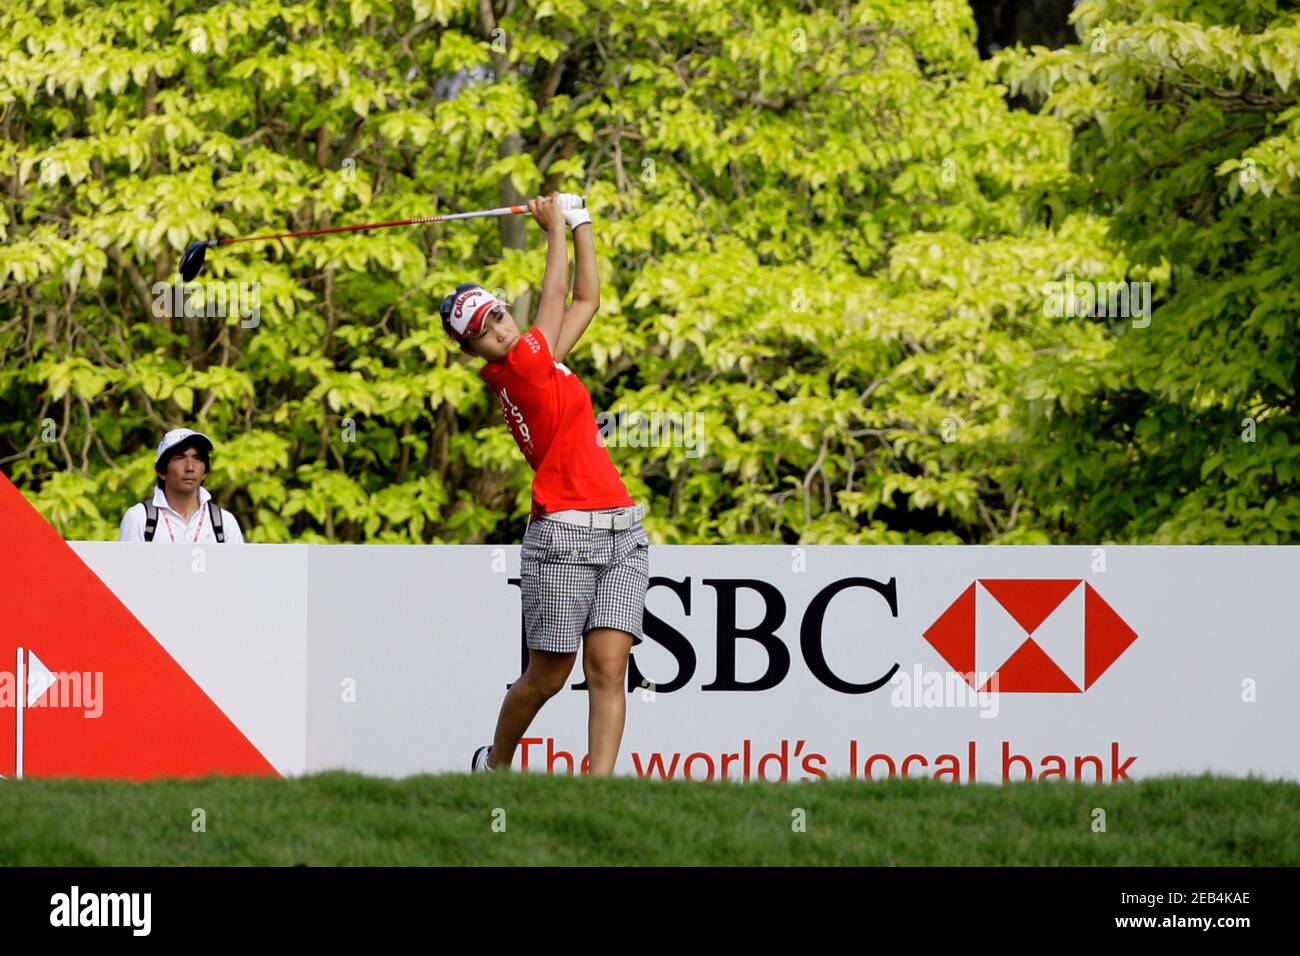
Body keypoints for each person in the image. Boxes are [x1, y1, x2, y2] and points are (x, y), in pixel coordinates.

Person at [442, 192, 649, 777]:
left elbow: (588, 298)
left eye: (498, 316)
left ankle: (598, 790)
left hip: (620, 527)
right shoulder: (523, 369)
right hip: (562, 533)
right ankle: (497, 763)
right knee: (550, 675)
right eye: (483, 331)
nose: (498, 332)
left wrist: (582, 223)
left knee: (609, 669)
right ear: (471, 349)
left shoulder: (543, 358)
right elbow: (556, 296)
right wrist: (554, 226)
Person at [118, 428, 245, 544]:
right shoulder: (139, 518)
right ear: (161, 471)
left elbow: (237, 568)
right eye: (179, 458)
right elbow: (127, 568)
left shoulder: (225, 522)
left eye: (198, 458)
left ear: (205, 473)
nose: (190, 467)